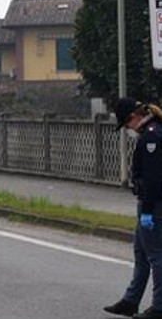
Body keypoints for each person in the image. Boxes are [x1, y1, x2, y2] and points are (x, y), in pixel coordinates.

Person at [105, 98, 162, 319]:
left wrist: (147, 210)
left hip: (154, 204)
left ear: (133, 117)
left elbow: (153, 179)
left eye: (126, 125)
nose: (127, 129)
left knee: (156, 255)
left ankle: (159, 307)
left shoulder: (151, 136)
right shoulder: (152, 130)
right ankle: (131, 300)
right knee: (141, 253)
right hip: (150, 203)